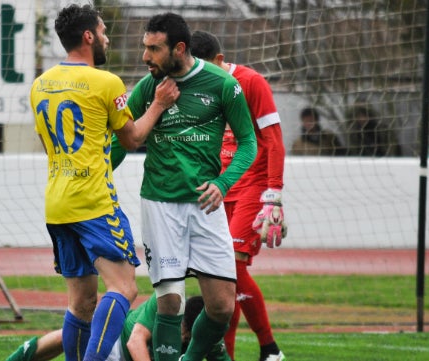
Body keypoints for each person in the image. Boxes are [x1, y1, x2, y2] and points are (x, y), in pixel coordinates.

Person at [29, 4, 179, 361]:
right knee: (124, 288)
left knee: (81, 305)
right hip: (94, 202)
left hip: (57, 204)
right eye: (103, 30)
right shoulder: (106, 82)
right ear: (88, 36)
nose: (107, 37)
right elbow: (132, 138)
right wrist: (157, 104)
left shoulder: (40, 85)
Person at [111, 13, 257, 361]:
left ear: (179, 48)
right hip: (161, 205)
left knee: (222, 306)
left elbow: (249, 142)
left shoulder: (222, 84)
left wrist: (223, 183)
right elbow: (122, 142)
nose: (146, 56)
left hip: (206, 206)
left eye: (154, 49)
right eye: (144, 47)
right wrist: (97, 175)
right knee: (170, 303)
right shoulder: (149, 88)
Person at [190, 31, 286, 361]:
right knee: (220, 277)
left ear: (219, 61)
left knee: (231, 267)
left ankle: (269, 348)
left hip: (254, 186)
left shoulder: (251, 82)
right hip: (221, 188)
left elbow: (273, 138)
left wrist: (274, 194)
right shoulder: (199, 86)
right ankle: (230, 356)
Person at [5, 295, 231, 361]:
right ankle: (18, 358)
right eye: (181, 327)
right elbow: (135, 342)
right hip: (118, 341)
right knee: (72, 337)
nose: (181, 334)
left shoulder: (208, 332)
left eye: (186, 335)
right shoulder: (166, 302)